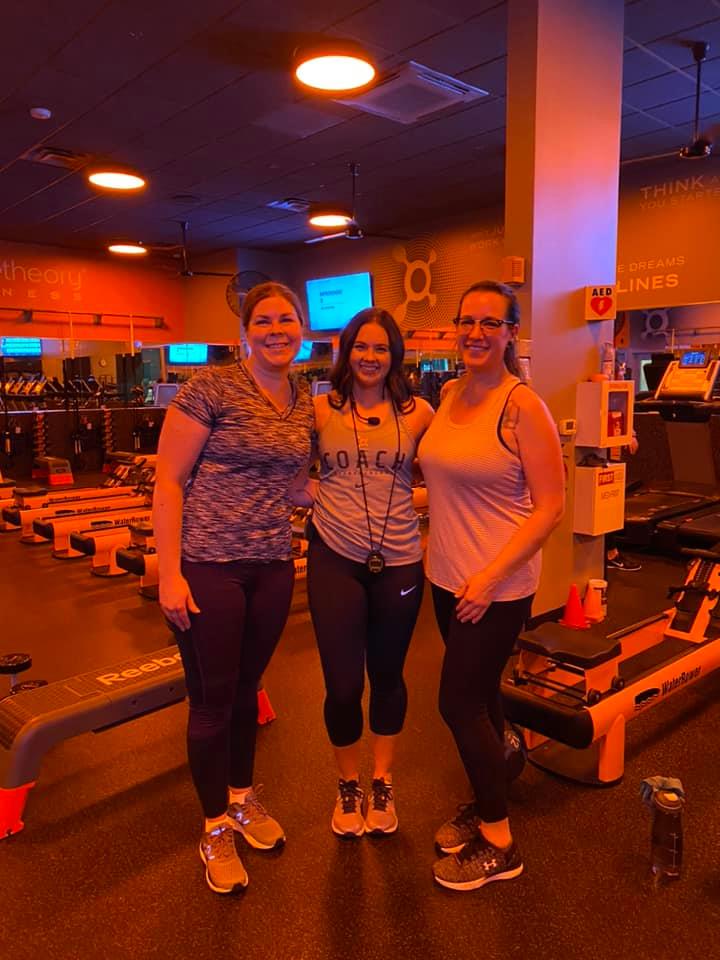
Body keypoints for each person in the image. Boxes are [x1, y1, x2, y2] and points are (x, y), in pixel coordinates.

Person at [153, 282, 314, 895]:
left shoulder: (304, 399)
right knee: (212, 699)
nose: (277, 330)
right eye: (264, 320)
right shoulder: (210, 389)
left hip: (272, 563)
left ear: (302, 329)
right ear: (245, 332)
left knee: (249, 689)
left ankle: (242, 800)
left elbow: (294, 485)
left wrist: (369, 498)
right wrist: (170, 573)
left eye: (287, 319)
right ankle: (214, 826)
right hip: (208, 565)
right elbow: (169, 482)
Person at [417, 280, 565, 891]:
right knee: (481, 695)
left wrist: (490, 576)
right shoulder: (450, 393)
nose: (475, 333)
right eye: (466, 321)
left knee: (457, 704)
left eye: (489, 323)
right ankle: (491, 792)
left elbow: (550, 507)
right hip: (446, 576)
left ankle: (501, 842)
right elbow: (445, 484)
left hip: (496, 586)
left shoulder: (522, 406)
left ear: (510, 333)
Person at [305, 307, 434, 838]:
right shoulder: (319, 410)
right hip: (335, 559)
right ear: (347, 352)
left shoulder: (419, 413)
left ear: (394, 355)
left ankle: (382, 781)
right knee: (341, 687)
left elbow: (454, 466)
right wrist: (316, 498)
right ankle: (347, 784)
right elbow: (287, 471)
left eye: (381, 348)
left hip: (399, 560)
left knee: (387, 676)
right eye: (361, 346)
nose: (370, 356)